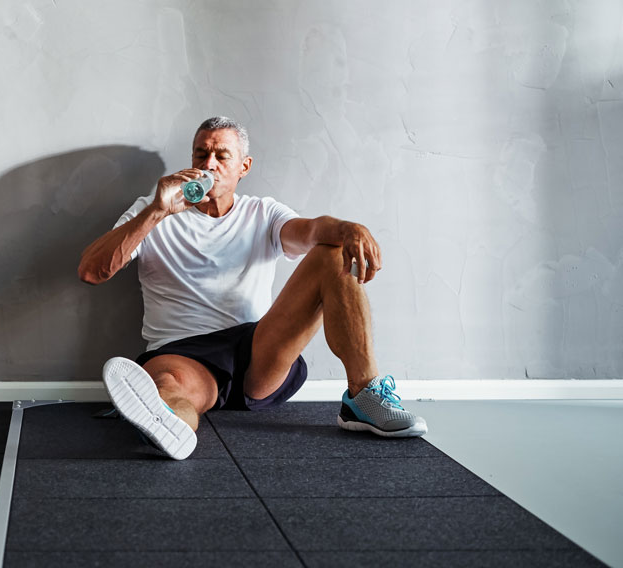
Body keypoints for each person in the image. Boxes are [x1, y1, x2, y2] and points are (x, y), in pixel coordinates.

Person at [78, 117, 426, 460]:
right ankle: (169, 426)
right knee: (168, 388)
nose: (209, 164)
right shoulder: (152, 210)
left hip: (258, 352)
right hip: (182, 354)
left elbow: (312, 231)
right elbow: (92, 272)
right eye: (201, 154)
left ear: (243, 166)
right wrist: (157, 211)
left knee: (332, 253)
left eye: (221, 155)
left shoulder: (262, 212)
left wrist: (351, 228)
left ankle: (363, 396)